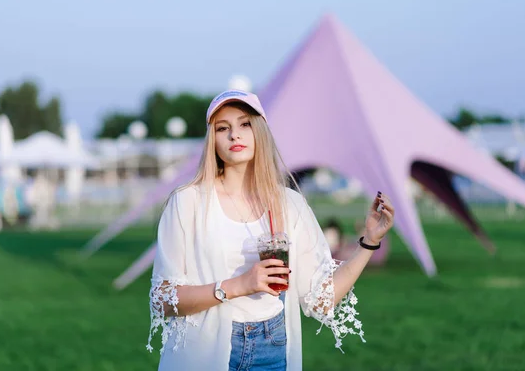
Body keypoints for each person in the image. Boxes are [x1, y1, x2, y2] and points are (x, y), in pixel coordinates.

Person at [147, 89, 395, 371]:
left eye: (245, 124)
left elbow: (322, 299)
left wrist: (369, 242)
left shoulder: (289, 204)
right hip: (204, 353)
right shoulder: (188, 202)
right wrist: (238, 285)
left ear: (260, 132)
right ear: (212, 141)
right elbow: (163, 300)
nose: (234, 135)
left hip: (273, 350)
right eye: (223, 128)